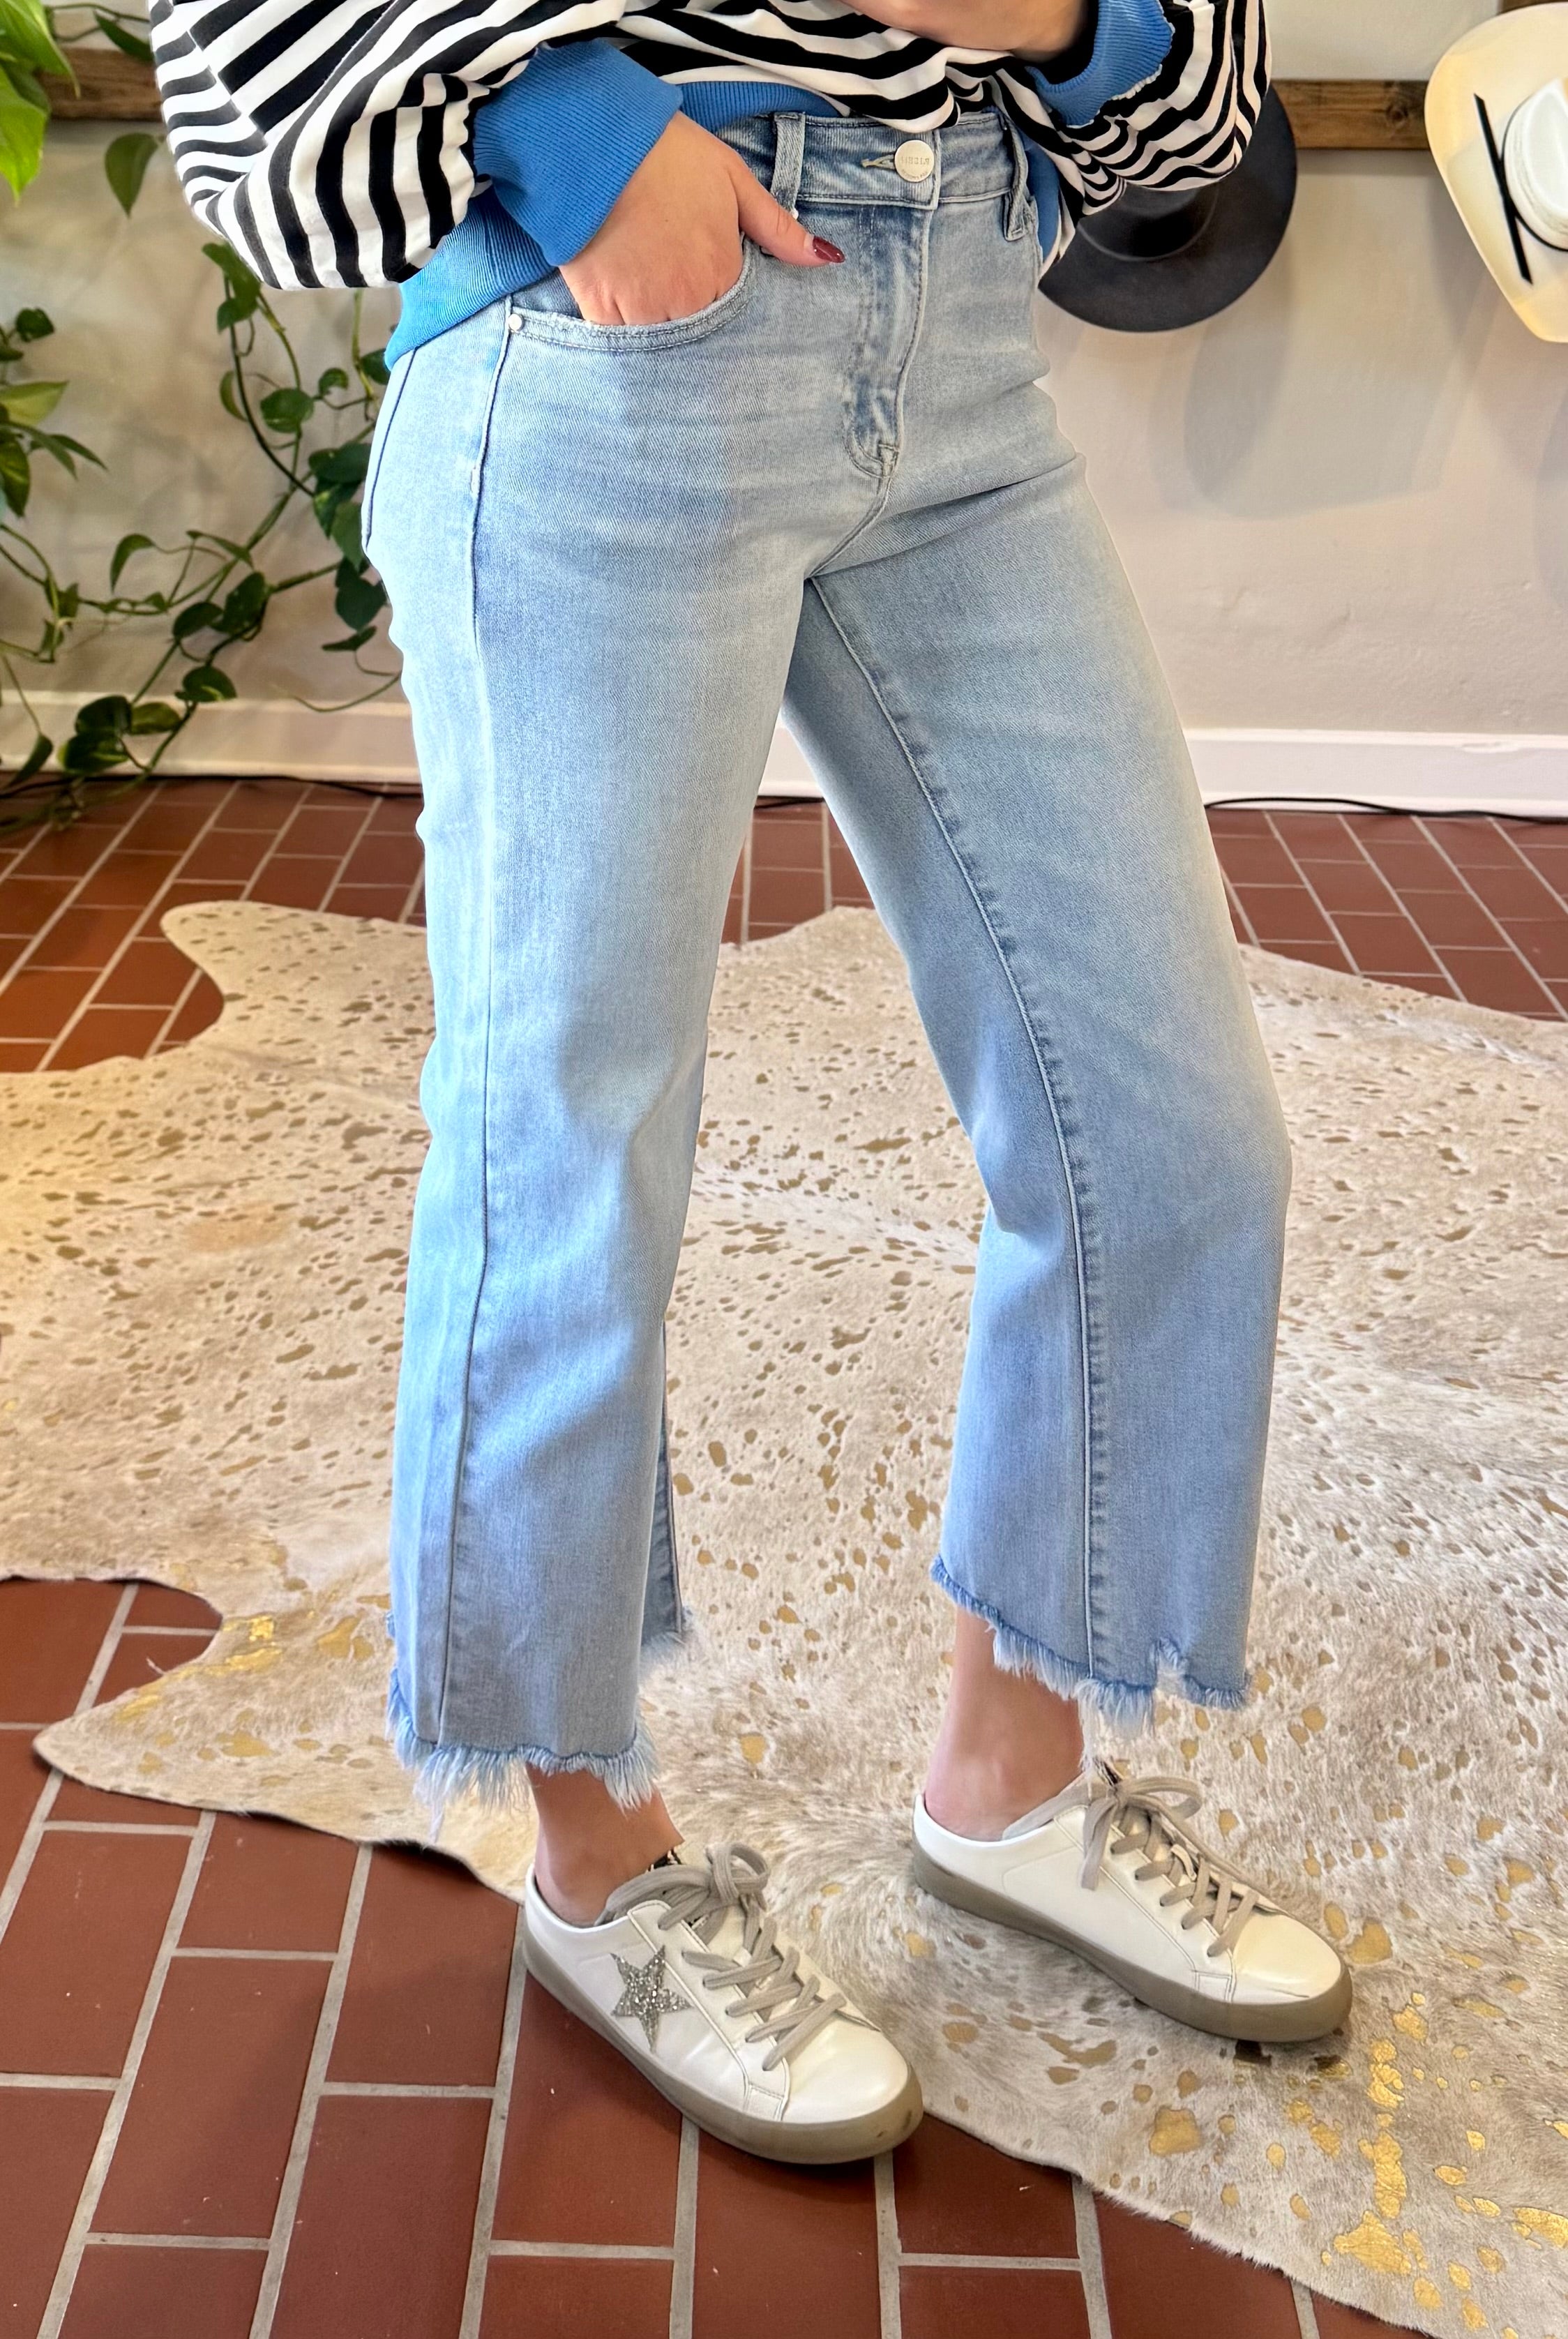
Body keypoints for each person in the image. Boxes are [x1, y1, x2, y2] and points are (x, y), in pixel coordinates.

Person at [155, 0, 1353, 2165]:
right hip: (606, 331)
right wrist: (569, 130)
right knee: (571, 1146)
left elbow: (1196, 87)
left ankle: (1012, 1783)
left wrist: (1065, 21)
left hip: (964, 323)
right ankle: (598, 1865)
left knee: (1169, 1121)